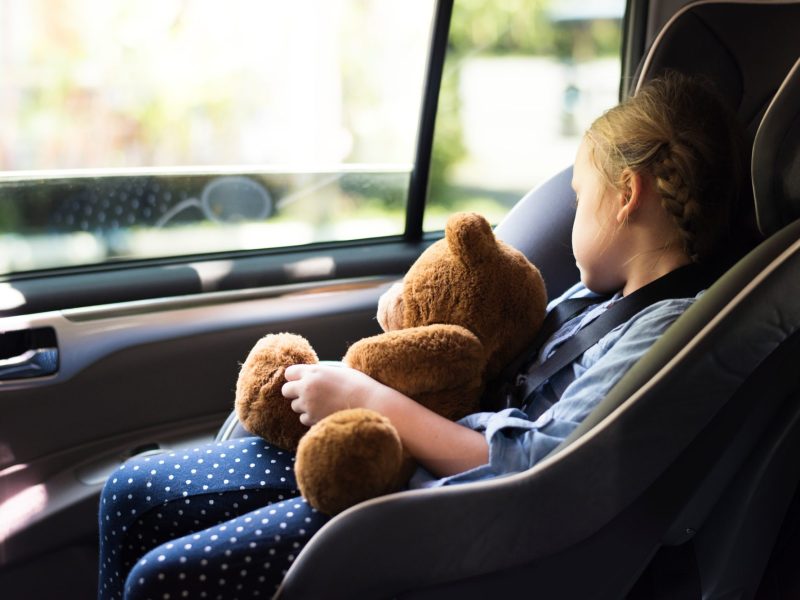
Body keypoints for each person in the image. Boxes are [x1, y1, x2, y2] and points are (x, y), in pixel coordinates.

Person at [98, 71, 745, 599]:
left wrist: (369, 400)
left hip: (441, 514)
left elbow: (537, 465)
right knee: (130, 493)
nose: (572, 212)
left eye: (580, 197)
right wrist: (413, 318)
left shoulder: (665, 331)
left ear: (627, 194)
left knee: (163, 582)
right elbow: (493, 352)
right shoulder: (596, 295)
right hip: (413, 460)